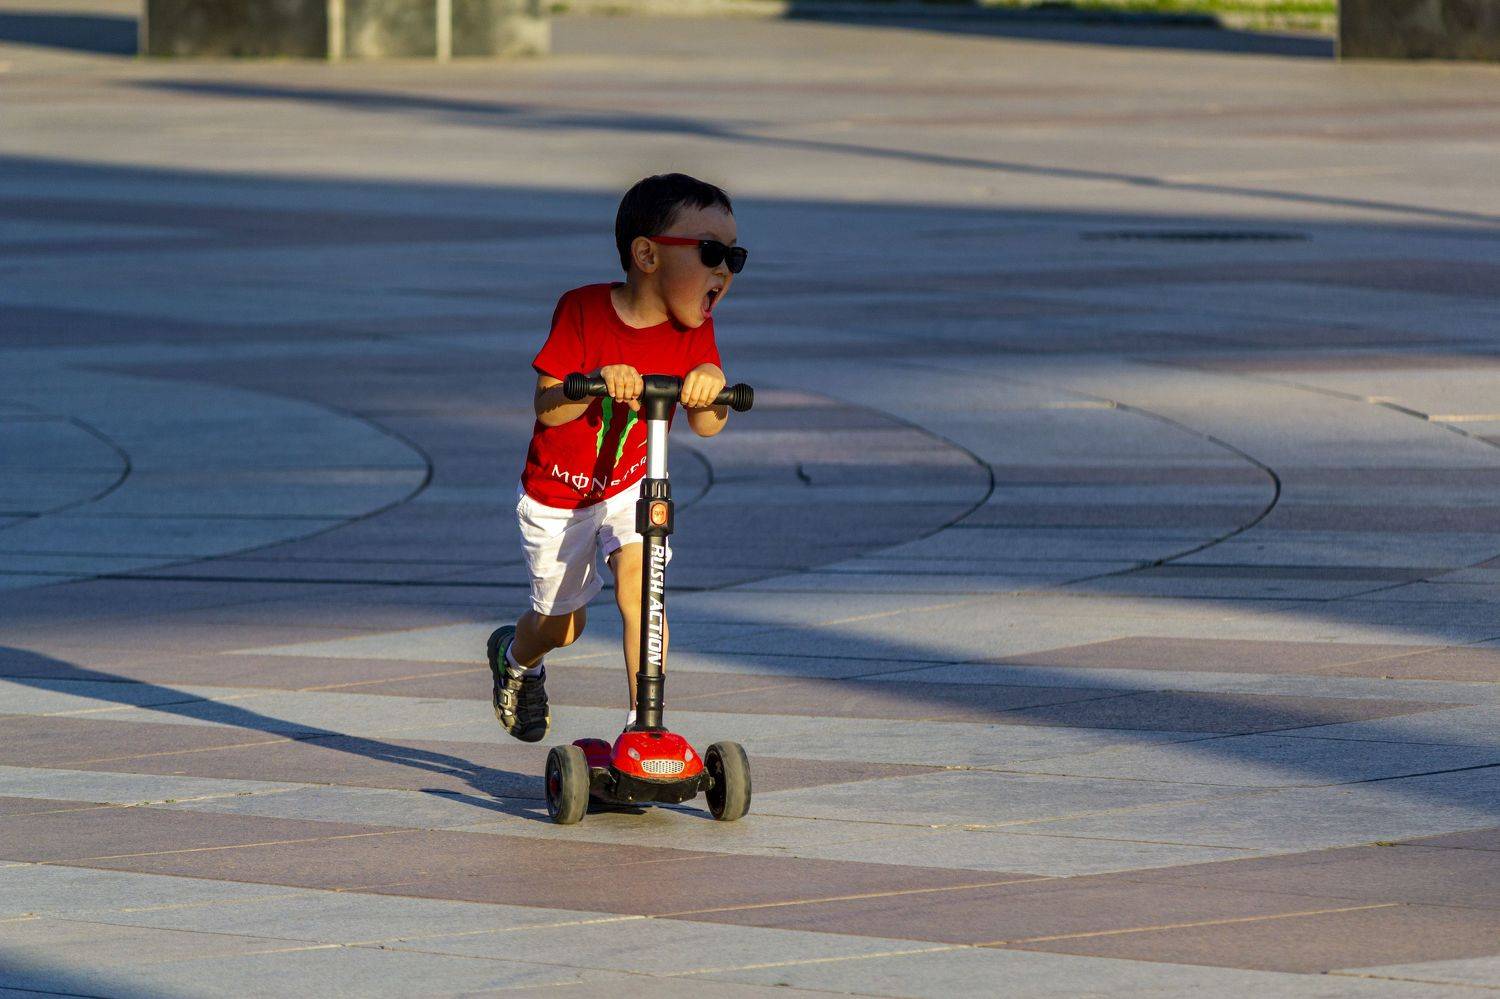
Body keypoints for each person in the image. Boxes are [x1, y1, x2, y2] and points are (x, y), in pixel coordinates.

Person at [488, 173, 747, 742]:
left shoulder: (695, 330)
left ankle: (644, 727)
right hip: (560, 495)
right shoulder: (582, 310)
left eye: (734, 257)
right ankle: (517, 658)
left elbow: (708, 425)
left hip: (633, 485)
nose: (724, 270)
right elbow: (547, 407)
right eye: (710, 253)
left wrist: (710, 383)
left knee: (642, 586)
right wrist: (592, 382)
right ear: (647, 255)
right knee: (562, 627)